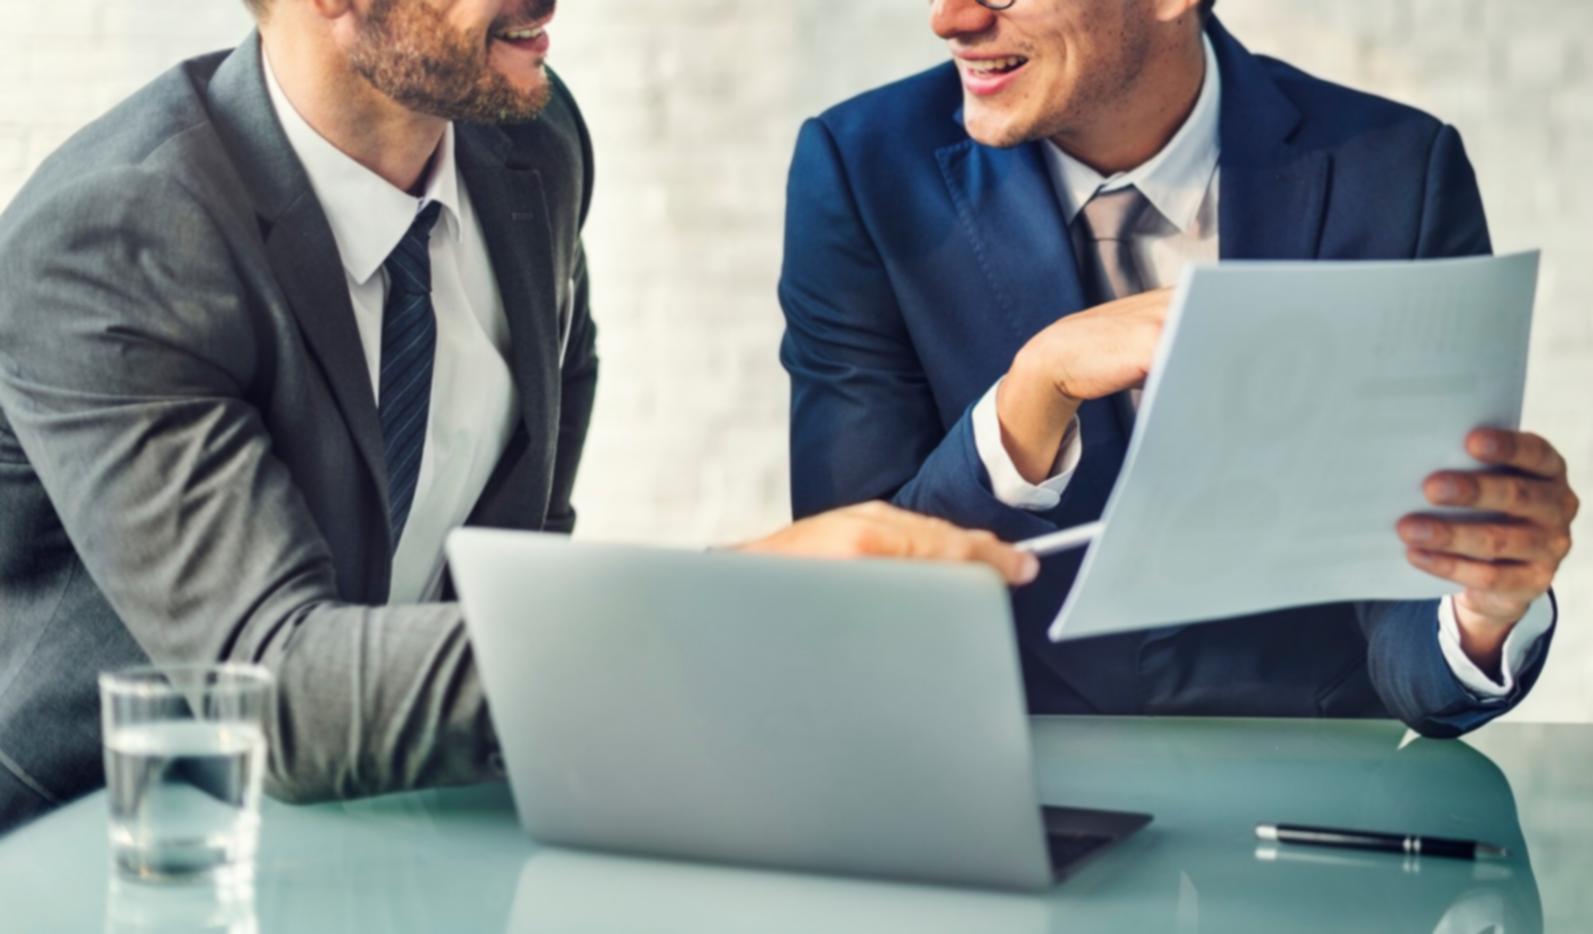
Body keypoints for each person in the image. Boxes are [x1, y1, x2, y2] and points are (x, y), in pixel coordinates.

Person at [0, 0, 1039, 833]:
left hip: (401, 813)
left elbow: (521, 538)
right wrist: (732, 604)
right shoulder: (120, 234)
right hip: (113, 847)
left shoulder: (531, 142)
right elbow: (280, 692)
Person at [779, 0, 1577, 729]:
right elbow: (851, 599)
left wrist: (1481, 612)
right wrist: (1034, 390)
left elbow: (1407, 588)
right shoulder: (859, 171)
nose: (949, 17)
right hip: (991, 772)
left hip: (1307, 791)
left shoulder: (1398, 170)